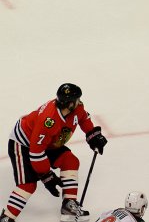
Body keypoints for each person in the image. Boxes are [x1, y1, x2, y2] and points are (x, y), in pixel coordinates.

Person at [0, 84, 108, 222]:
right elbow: (36, 152)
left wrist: (92, 134)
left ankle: (69, 206)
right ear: (69, 104)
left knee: (70, 161)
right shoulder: (48, 121)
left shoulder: (76, 108)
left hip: (48, 143)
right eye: (77, 99)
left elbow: (83, 118)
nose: (79, 102)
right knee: (28, 185)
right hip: (23, 144)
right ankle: (7, 217)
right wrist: (46, 175)